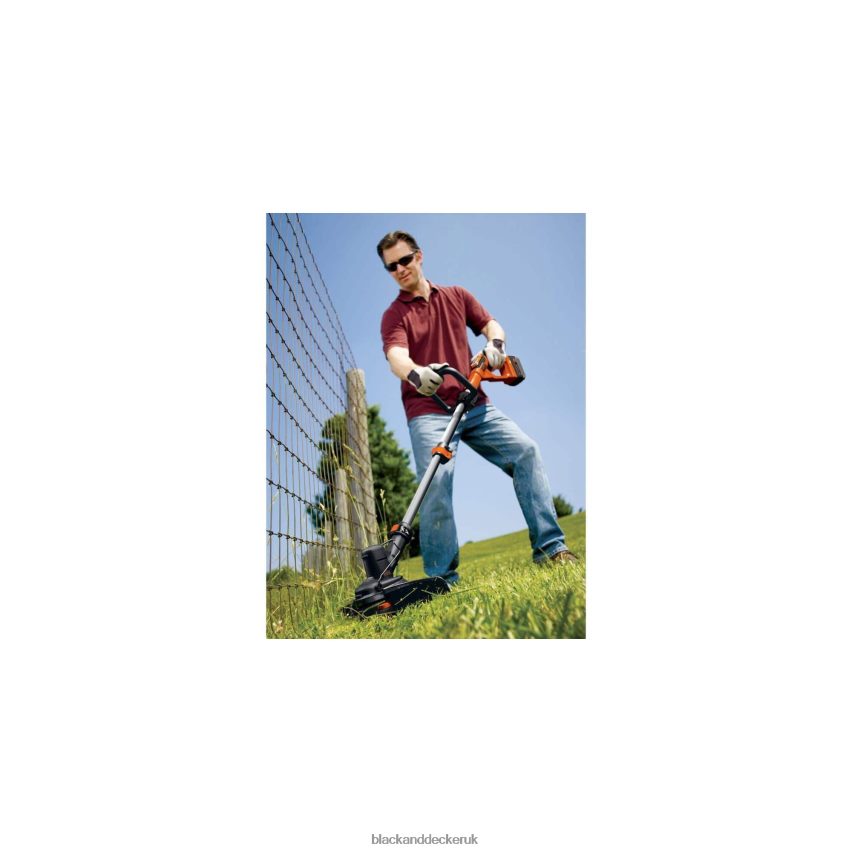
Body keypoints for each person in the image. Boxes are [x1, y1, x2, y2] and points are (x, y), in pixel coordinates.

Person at [377, 230, 578, 584]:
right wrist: (415, 373)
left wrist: (495, 345)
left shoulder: (456, 295)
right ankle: (441, 579)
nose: (400, 269)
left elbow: (490, 324)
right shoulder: (394, 315)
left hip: (473, 403)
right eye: (391, 266)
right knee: (436, 483)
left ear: (419, 256)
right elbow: (396, 356)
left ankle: (551, 549)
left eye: (404, 260)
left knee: (526, 451)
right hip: (428, 411)